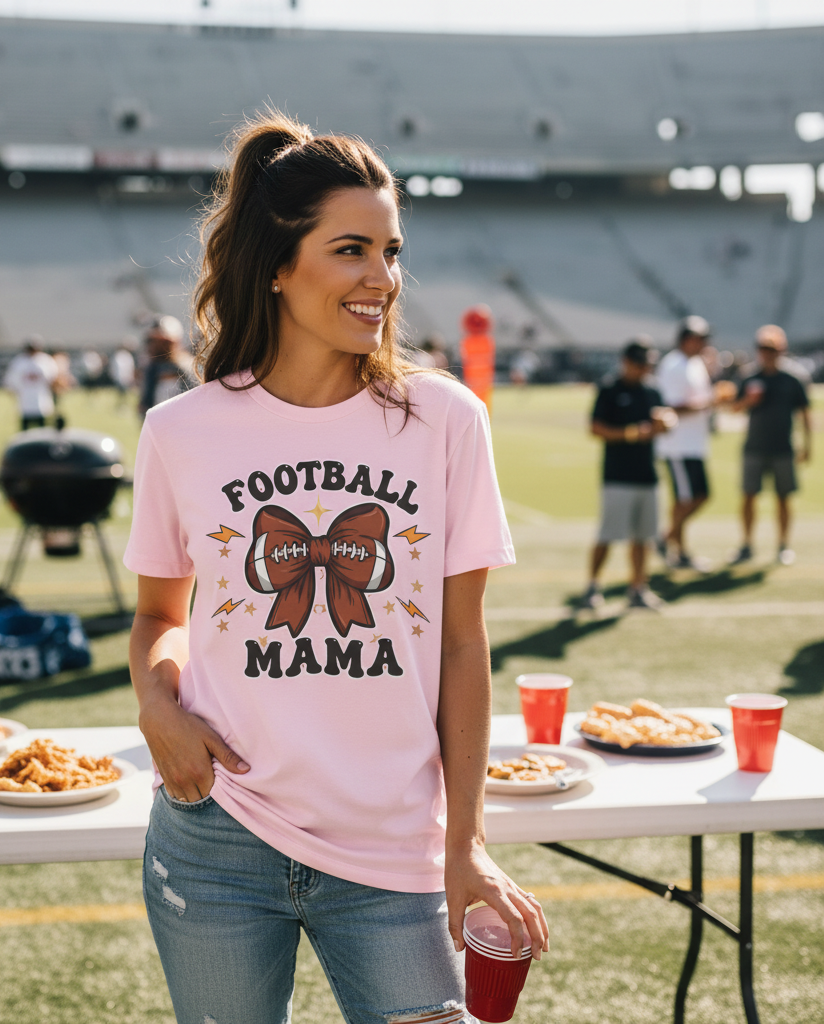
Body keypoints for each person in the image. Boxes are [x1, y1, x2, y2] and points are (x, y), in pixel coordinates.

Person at [124, 112, 547, 1024]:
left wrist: (465, 844)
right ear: (278, 265)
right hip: (215, 836)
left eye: (392, 251)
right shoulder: (180, 431)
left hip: (393, 849)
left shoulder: (444, 420)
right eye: (351, 249)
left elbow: (464, 644)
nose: (382, 279)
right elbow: (160, 615)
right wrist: (158, 704)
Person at [582, 338, 674, 610]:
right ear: (627, 363)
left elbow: (664, 420)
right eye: (641, 364)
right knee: (608, 535)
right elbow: (596, 428)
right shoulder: (610, 389)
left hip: (648, 474)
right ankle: (591, 586)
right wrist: (633, 433)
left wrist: (665, 425)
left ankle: (638, 588)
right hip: (618, 475)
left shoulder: (653, 391)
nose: (645, 369)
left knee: (643, 537)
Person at [654, 315, 732, 570]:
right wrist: (710, 402)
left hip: (693, 443)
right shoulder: (673, 365)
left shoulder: (695, 362)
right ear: (687, 340)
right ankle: (670, 543)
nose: (705, 344)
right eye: (701, 339)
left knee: (696, 496)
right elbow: (671, 406)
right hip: (678, 444)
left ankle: (675, 546)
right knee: (688, 499)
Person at [730, 325, 812, 566]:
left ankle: (783, 545)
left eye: (771, 348)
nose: (766, 353)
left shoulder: (793, 378)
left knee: (783, 498)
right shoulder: (749, 376)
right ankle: (746, 544)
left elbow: (804, 413)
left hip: (782, 447)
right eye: (763, 348)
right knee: (748, 496)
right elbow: (734, 408)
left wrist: (807, 445)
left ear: (782, 349)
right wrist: (748, 401)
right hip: (754, 446)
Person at [138, 315, 195, 418]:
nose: (154, 346)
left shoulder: (185, 367)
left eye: (160, 342)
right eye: (150, 341)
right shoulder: (151, 368)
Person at [3, 336, 59, 431]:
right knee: (25, 427)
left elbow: (54, 378)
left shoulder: (45, 360)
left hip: (41, 397)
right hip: (25, 398)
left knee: (42, 427)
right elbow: (11, 379)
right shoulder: (19, 361)